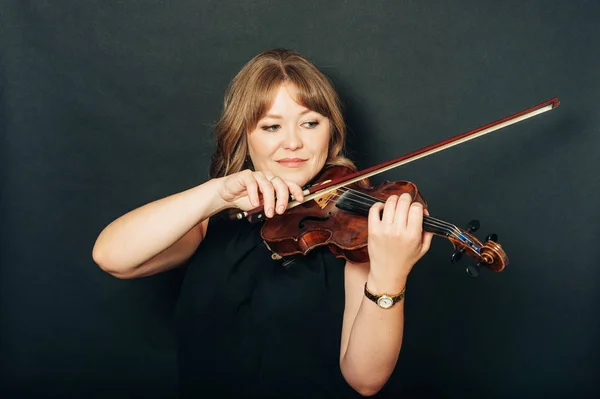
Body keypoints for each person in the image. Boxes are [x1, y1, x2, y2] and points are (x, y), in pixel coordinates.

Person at [92, 48, 433, 398]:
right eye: (271, 126)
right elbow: (111, 257)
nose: (293, 142)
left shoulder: (351, 233)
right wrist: (215, 195)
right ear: (244, 134)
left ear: (331, 131)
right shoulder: (210, 223)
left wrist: (390, 273)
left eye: (310, 122)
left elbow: (365, 379)